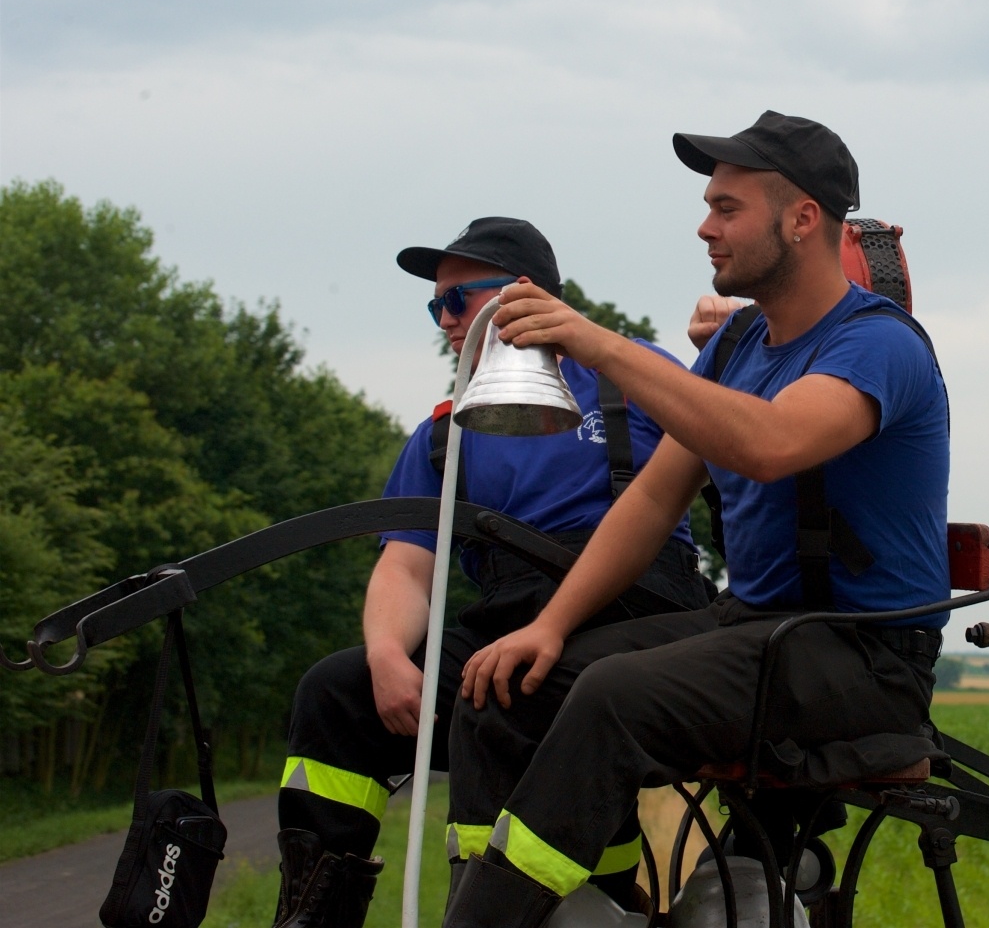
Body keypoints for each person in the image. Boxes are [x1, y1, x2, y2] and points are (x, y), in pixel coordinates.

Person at [441, 111, 950, 927]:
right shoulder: (739, 344)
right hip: (756, 629)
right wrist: (549, 625)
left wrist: (598, 344)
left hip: (863, 657)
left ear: (801, 218)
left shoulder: (878, 344)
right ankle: (578, 911)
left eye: (727, 208)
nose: (704, 227)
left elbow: (771, 442)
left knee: (612, 694)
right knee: (506, 689)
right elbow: (651, 497)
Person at [272, 217, 709, 928]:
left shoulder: (631, 375)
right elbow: (407, 568)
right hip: (505, 615)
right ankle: (314, 912)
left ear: (524, 294)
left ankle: (537, 908)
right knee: (336, 692)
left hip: (640, 612)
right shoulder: (445, 433)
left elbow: (738, 453)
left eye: (458, 299)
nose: (445, 320)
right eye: (434, 306)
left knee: (496, 691)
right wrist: (387, 652)